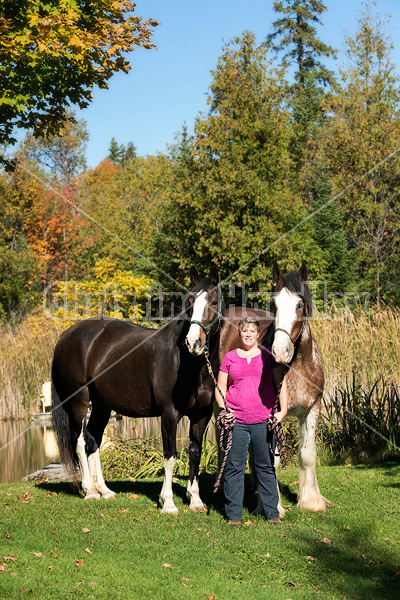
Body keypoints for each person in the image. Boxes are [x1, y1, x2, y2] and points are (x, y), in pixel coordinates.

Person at [215, 316, 288, 525]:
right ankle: (233, 515)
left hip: (263, 421)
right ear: (240, 334)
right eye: (244, 331)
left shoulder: (268, 357)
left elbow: (281, 385)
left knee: (265, 466)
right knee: (234, 466)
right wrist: (224, 409)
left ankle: (272, 513)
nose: (248, 335)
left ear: (258, 335)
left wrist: (281, 413)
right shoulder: (230, 358)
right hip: (236, 421)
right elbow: (220, 388)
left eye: (252, 331)